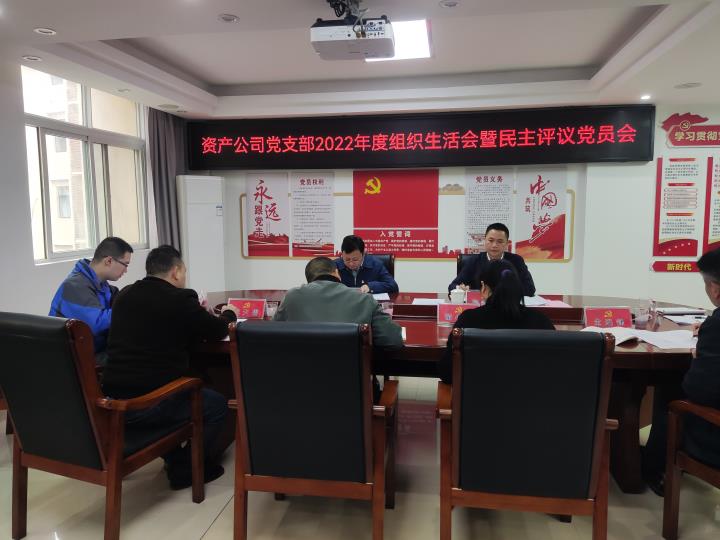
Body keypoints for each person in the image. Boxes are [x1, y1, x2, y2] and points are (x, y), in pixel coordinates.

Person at [102, 245, 239, 490]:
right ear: (175, 271)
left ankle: (176, 458)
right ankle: (186, 469)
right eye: (184, 272)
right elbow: (217, 330)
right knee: (217, 405)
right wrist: (229, 315)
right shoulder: (179, 299)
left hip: (113, 399)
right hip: (150, 403)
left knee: (184, 385)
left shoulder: (124, 295)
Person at [642, 248, 720, 496]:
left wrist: (700, 354)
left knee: (672, 389)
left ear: (715, 290)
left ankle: (655, 470)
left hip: (714, 440)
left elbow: (699, 390)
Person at [275, 256, 403, 400]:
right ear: (337, 273)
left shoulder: (291, 297)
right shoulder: (363, 299)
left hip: (300, 393)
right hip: (352, 395)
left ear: (309, 279)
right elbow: (393, 340)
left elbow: (273, 337)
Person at [439, 259, 554, 383]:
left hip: (479, 394)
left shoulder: (468, 320)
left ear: (483, 288)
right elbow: (556, 366)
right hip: (530, 394)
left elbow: (447, 371)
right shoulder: (541, 322)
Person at [49, 236, 133, 365]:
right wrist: (132, 312)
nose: (126, 270)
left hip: (92, 351)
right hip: (71, 360)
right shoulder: (74, 286)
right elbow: (96, 325)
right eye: (125, 264)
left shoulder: (102, 286)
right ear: (109, 261)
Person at [448, 223, 536, 297]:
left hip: (507, 308)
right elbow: (453, 286)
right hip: (480, 307)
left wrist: (498, 293)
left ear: (507, 244)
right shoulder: (474, 261)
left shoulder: (516, 261)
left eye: (500, 241)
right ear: (485, 241)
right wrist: (459, 289)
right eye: (491, 240)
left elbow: (530, 289)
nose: (494, 245)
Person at [335, 234, 399, 294]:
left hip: (368, 301)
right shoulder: (335, 265)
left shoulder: (375, 264)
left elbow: (393, 286)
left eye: (355, 259)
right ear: (342, 254)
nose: (351, 264)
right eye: (347, 260)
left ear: (364, 254)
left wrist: (370, 286)